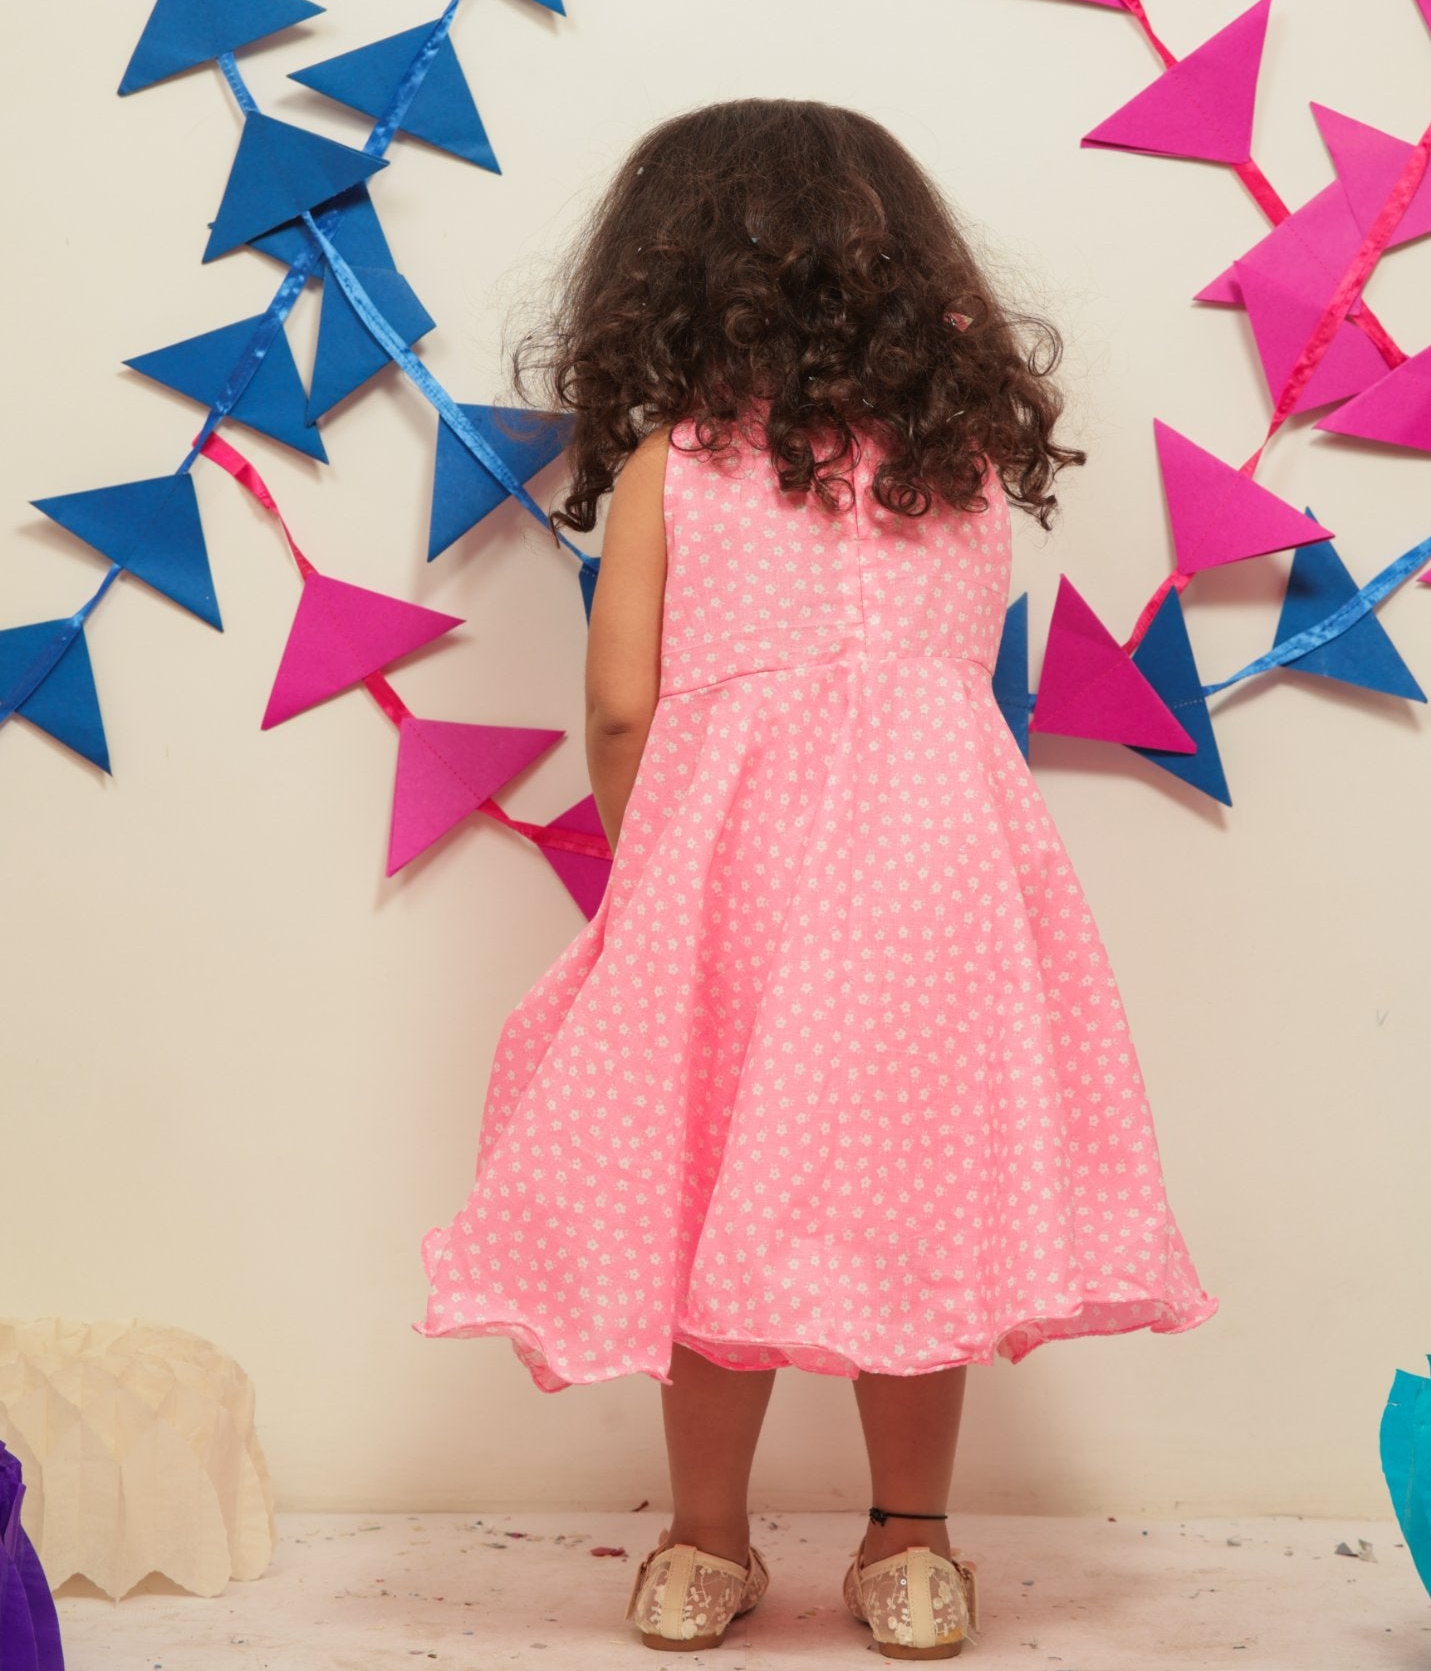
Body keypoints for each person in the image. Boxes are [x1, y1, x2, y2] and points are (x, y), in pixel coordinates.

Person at [415, 98, 1218, 1657]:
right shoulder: (965, 468)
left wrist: (657, 866)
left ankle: (705, 1546)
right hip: (941, 881)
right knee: (921, 1213)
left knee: (712, 1194)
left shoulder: (679, 468)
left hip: (739, 876)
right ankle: (912, 1550)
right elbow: (944, 675)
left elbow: (621, 703)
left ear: (674, 277)